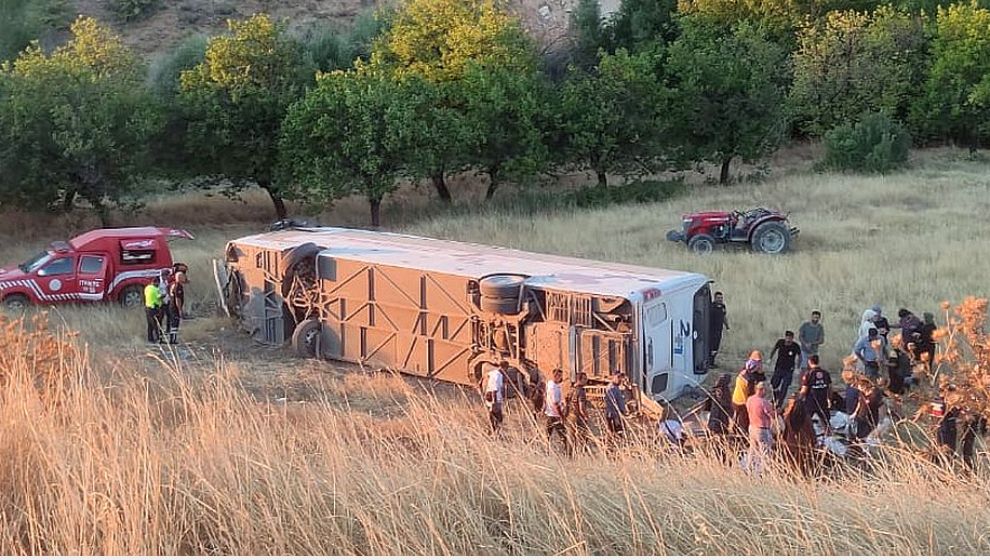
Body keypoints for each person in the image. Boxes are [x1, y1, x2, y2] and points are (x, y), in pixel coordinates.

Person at [745, 382, 776, 475]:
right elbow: (772, 415)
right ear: (762, 390)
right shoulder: (764, 402)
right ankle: (762, 472)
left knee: (752, 449)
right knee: (765, 451)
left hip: (751, 427)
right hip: (762, 429)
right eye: (765, 390)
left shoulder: (750, 399)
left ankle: (748, 467)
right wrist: (777, 410)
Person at [799, 355, 832, 435]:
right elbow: (830, 388)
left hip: (811, 402)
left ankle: (805, 436)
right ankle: (829, 438)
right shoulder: (826, 373)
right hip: (823, 401)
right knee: (826, 423)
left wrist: (799, 399)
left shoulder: (809, 374)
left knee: (806, 421)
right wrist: (829, 399)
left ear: (809, 362)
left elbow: (804, 390)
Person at [732, 352, 762, 434]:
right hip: (743, 401)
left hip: (735, 398)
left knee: (736, 418)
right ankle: (741, 437)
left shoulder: (743, 371)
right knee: (744, 421)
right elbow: (751, 393)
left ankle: (735, 430)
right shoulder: (750, 379)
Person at [769, 331, 802, 407]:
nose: (789, 339)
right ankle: (775, 396)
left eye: (790, 338)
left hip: (789, 370)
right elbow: (774, 349)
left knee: (785, 387)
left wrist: (798, 367)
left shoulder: (795, 346)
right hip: (779, 368)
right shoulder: (780, 342)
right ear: (785, 337)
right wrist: (770, 358)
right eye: (787, 337)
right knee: (774, 384)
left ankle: (779, 404)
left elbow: (800, 356)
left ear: (792, 338)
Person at [565, 372, 591, 453]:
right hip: (577, 417)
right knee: (583, 437)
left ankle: (569, 456)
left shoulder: (571, 389)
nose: (586, 380)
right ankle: (581, 454)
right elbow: (581, 408)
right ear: (579, 379)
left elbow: (566, 402)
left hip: (570, 415)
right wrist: (586, 417)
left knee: (570, 438)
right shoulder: (581, 391)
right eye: (584, 379)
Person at [480, 361, 508, 434]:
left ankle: (493, 431)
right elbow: (494, 390)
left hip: (494, 399)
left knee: (495, 417)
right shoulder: (497, 375)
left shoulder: (494, 373)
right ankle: (493, 432)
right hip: (494, 399)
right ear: (504, 367)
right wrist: (494, 403)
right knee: (497, 417)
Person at [544, 369, 567, 450]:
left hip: (549, 412)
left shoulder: (550, 383)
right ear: (557, 376)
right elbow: (555, 404)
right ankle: (566, 451)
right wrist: (561, 416)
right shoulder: (554, 388)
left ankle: (546, 449)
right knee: (563, 434)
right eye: (560, 376)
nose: (561, 378)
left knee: (548, 434)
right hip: (555, 414)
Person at [166, 269, 188, 345]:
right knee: (175, 323)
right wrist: (180, 309)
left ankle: (172, 338)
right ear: (180, 278)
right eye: (183, 277)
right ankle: (173, 340)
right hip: (175, 307)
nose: (185, 278)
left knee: (173, 323)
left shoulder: (173, 284)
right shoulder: (178, 287)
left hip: (171, 306)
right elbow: (177, 299)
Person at [604, 373, 628, 437]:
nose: (620, 380)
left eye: (620, 378)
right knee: (613, 430)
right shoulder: (611, 388)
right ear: (613, 377)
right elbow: (612, 403)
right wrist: (616, 415)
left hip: (618, 413)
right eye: (618, 378)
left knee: (619, 429)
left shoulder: (616, 387)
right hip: (613, 413)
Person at [709, 292, 729, 367]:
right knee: (711, 346)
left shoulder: (723, 307)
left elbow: (724, 317)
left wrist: (727, 326)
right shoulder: (711, 306)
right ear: (715, 298)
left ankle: (712, 362)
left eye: (721, 298)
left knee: (716, 347)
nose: (720, 299)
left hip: (719, 330)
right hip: (711, 330)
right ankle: (709, 362)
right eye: (718, 298)